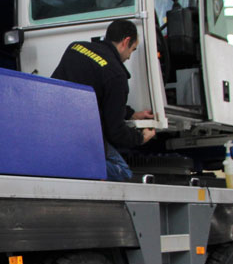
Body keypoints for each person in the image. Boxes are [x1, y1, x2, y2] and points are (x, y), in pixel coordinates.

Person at [50, 18, 155, 181]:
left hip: (51, 125)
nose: (128, 57)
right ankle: (70, 165)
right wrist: (141, 138)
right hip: (82, 136)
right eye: (132, 50)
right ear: (126, 42)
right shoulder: (116, 75)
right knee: (123, 172)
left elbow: (94, 93)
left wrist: (132, 114)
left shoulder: (76, 47)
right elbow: (116, 133)